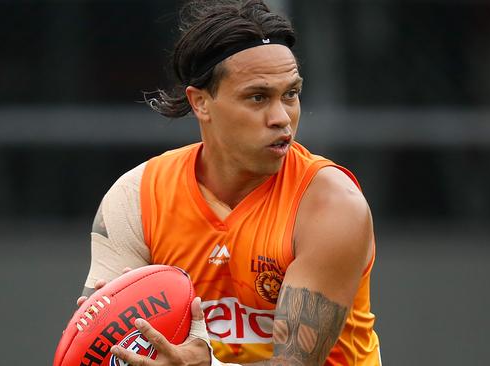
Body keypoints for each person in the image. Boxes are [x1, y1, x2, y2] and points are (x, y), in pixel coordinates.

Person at [77, 1, 381, 365]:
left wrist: (208, 362)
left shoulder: (331, 204)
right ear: (201, 102)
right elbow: (108, 351)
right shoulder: (137, 196)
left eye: (291, 94)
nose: (281, 117)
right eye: (258, 97)